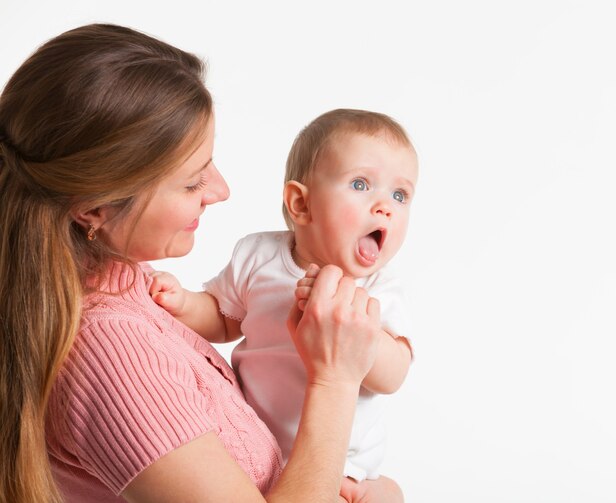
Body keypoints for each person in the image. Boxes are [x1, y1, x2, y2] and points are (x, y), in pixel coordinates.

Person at [0, 24, 397, 503]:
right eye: (192, 182)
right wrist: (334, 379)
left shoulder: (124, 287)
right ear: (93, 209)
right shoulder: (110, 354)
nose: (221, 190)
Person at [150, 108, 417, 500]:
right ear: (300, 203)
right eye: (361, 184)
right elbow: (225, 319)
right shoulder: (259, 256)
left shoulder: (377, 289)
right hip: (249, 447)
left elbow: (393, 375)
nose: (385, 207)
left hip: (340, 467)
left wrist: (356, 332)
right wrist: (183, 303)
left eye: (400, 194)